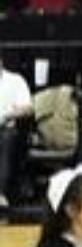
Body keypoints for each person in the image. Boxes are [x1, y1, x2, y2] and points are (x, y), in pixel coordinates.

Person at [0, 57, 32, 208]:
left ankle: (2, 193)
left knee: (8, 138)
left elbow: (27, 109)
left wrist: (8, 116)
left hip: (7, 127)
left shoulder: (15, 80)